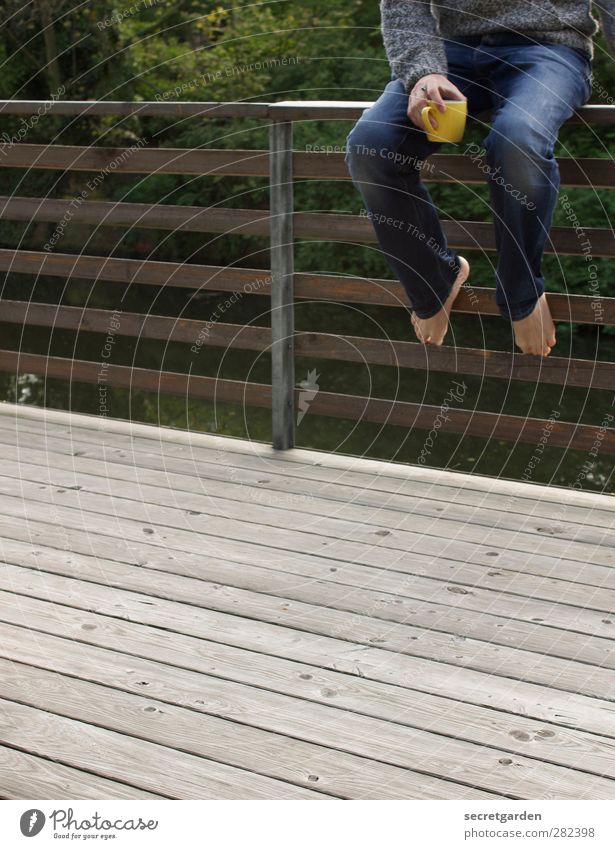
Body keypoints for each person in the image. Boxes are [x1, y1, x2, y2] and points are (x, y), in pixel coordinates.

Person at [346, 1, 615, 356]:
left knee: (517, 138)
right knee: (371, 146)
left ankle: (522, 295)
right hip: (449, 54)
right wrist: (422, 71)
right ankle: (434, 283)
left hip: (550, 49)